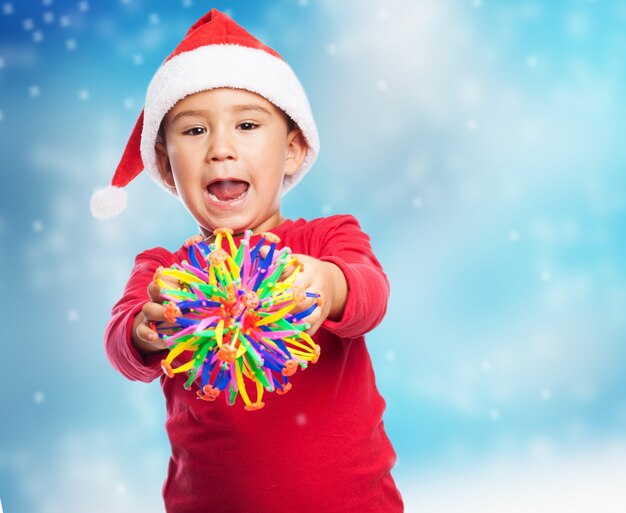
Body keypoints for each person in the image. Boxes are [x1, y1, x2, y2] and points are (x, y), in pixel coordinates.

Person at [95, 8, 404, 513]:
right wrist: (142, 331)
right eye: (194, 132)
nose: (220, 148)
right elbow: (121, 343)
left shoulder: (328, 238)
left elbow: (371, 295)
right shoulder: (163, 272)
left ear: (293, 150)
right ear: (167, 170)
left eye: (246, 124)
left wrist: (329, 284)